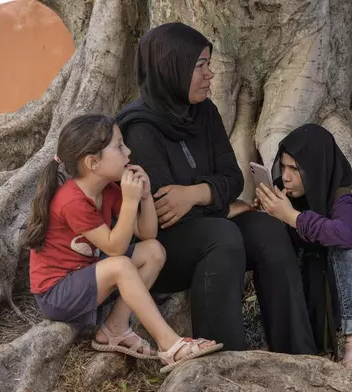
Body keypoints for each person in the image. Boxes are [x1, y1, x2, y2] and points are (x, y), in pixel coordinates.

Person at [116, 22, 316, 354]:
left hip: (209, 226)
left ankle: (297, 352)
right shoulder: (139, 127)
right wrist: (219, 199)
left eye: (208, 63)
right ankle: (224, 358)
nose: (210, 74)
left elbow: (233, 177)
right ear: (171, 69)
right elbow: (167, 211)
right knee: (221, 235)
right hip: (162, 251)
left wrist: (196, 193)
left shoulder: (204, 112)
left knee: (266, 229)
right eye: (199, 66)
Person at [25, 114, 222, 373]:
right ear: (93, 162)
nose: (128, 152)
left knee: (154, 252)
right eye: (119, 146)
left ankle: (115, 328)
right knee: (120, 265)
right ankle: (170, 345)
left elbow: (147, 233)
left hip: (87, 276)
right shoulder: (72, 200)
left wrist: (145, 196)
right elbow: (115, 249)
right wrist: (129, 202)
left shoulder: (108, 190)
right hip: (57, 294)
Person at [254, 123, 352, 371]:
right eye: (283, 166)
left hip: (330, 281)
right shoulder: (284, 189)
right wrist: (269, 213)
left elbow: (347, 235)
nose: (285, 176)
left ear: (315, 169)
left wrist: (292, 217)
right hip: (297, 279)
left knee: (350, 244)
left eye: (295, 169)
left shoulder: (339, 195)